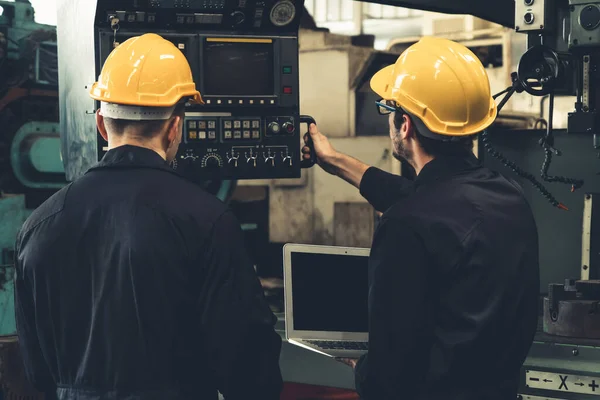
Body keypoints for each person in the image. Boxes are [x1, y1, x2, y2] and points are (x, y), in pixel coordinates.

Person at [14, 33, 282, 400]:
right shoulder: (207, 219)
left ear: (102, 126)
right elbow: (248, 366)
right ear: (174, 128)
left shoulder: (37, 227)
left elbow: (36, 370)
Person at [303, 37, 540, 400]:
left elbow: (390, 374)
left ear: (404, 125)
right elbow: (423, 200)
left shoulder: (406, 224)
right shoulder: (508, 196)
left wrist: (360, 366)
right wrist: (333, 160)